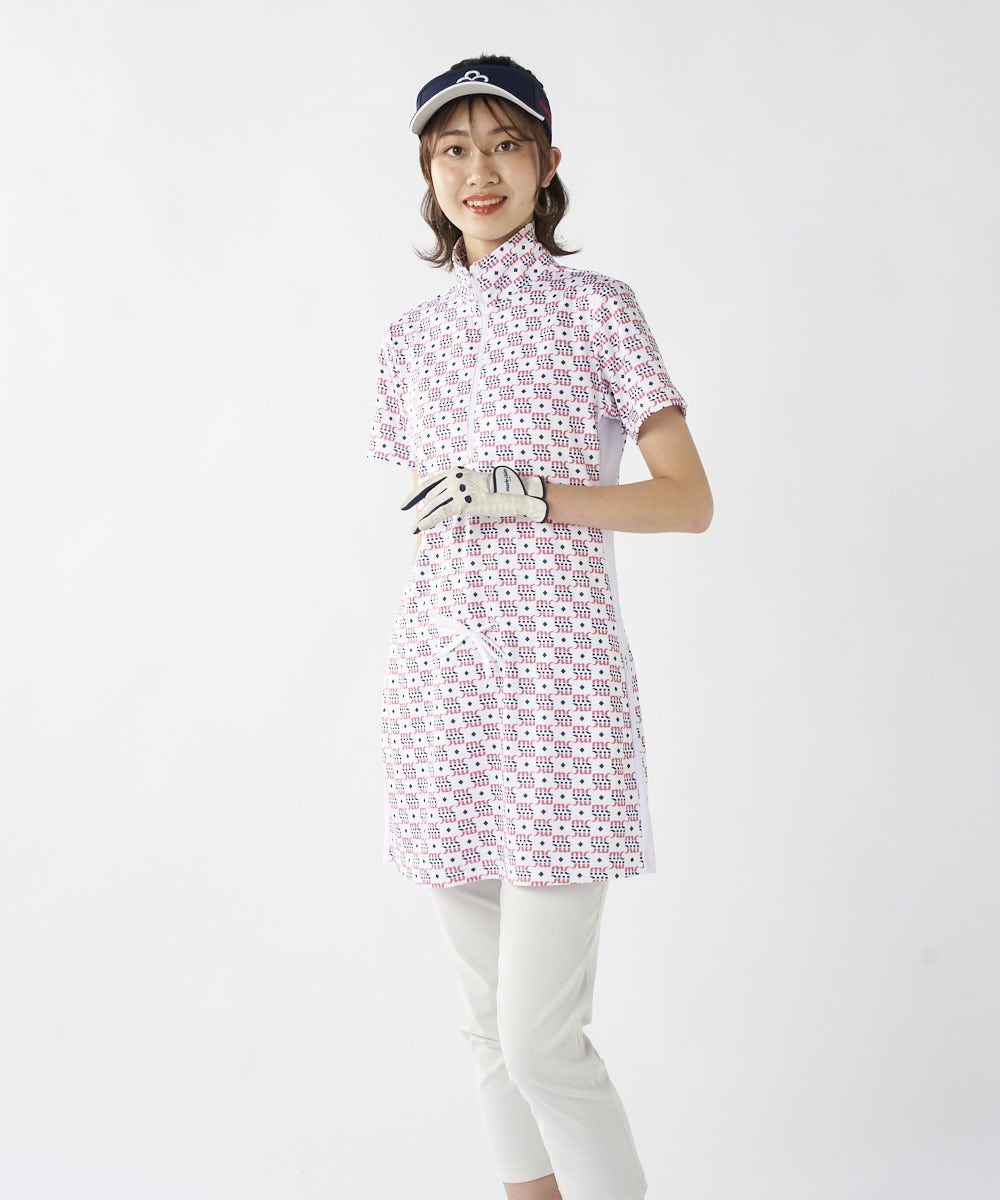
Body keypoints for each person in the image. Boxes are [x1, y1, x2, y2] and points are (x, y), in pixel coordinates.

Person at [365, 54, 713, 1200]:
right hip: (439, 699)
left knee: (539, 1044)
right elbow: (426, 531)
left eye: (505, 144)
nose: (480, 170)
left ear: (547, 162)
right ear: (428, 169)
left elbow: (687, 500)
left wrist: (533, 494)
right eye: (454, 149)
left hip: (559, 701)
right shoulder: (409, 339)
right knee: (484, 1032)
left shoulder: (596, 308)